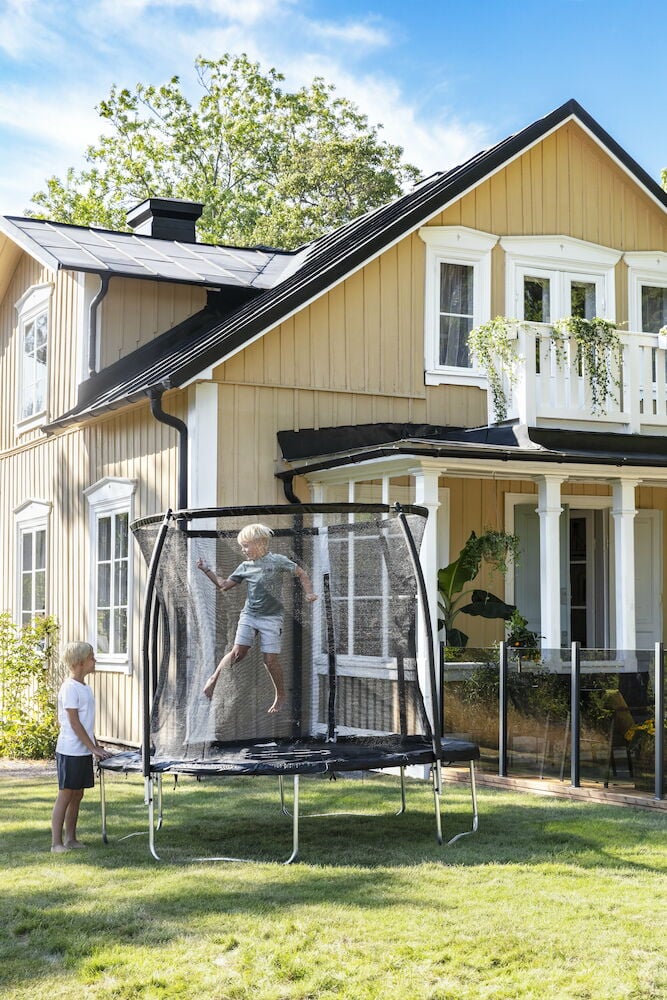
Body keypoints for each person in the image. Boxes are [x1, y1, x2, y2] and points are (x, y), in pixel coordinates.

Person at [197, 523, 317, 713]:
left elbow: (301, 573)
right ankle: (213, 679)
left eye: (246, 545)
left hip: (272, 619)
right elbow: (224, 585)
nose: (243, 550)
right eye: (241, 546)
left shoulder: (278, 561)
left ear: (261, 543)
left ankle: (280, 695)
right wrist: (206, 569)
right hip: (249, 615)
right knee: (238, 653)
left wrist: (309, 592)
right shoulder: (245, 566)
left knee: (270, 661)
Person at [50, 642, 111, 853]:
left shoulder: (85, 687)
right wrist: (92, 749)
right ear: (79, 662)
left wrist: (95, 745)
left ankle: (71, 839)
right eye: (92, 657)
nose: (95, 660)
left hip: (83, 750)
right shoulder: (69, 688)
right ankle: (56, 843)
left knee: (78, 795)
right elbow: (74, 722)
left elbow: (86, 723)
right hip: (69, 750)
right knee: (66, 795)